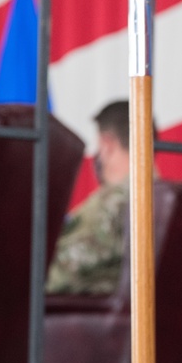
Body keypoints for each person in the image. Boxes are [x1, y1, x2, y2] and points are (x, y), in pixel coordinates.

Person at [46, 99, 132, 294]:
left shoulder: (113, 201)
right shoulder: (168, 198)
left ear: (107, 144)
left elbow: (69, 267)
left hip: (78, 311)